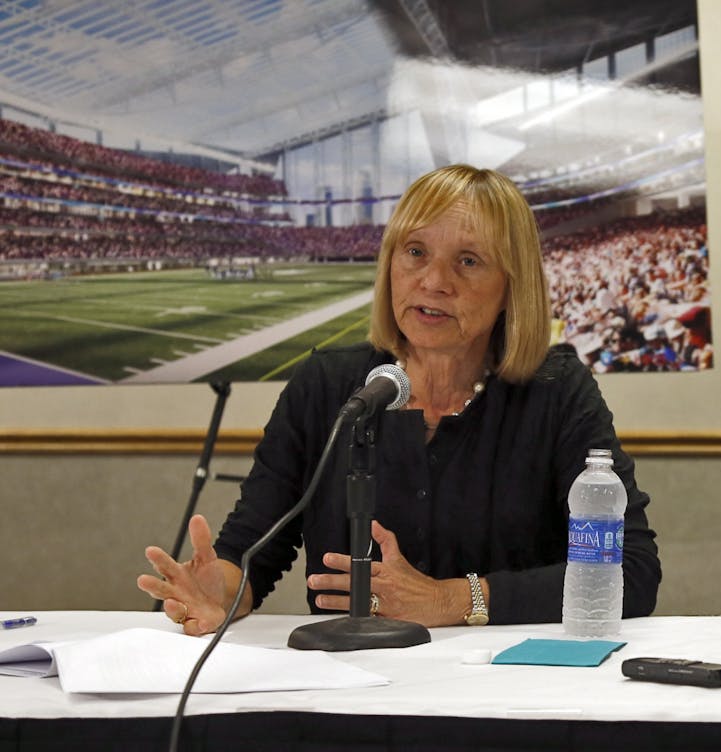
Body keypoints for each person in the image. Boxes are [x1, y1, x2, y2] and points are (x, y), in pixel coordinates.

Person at [139, 165, 660, 633]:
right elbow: (252, 552)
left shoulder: (556, 391)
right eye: (415, 252)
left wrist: (452, 599)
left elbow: (631, 572)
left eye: (469, 261)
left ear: (511, 287)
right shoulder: (327, 386)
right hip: (353, 696)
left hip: (509, 694)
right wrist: (222, 591)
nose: (433, 282)